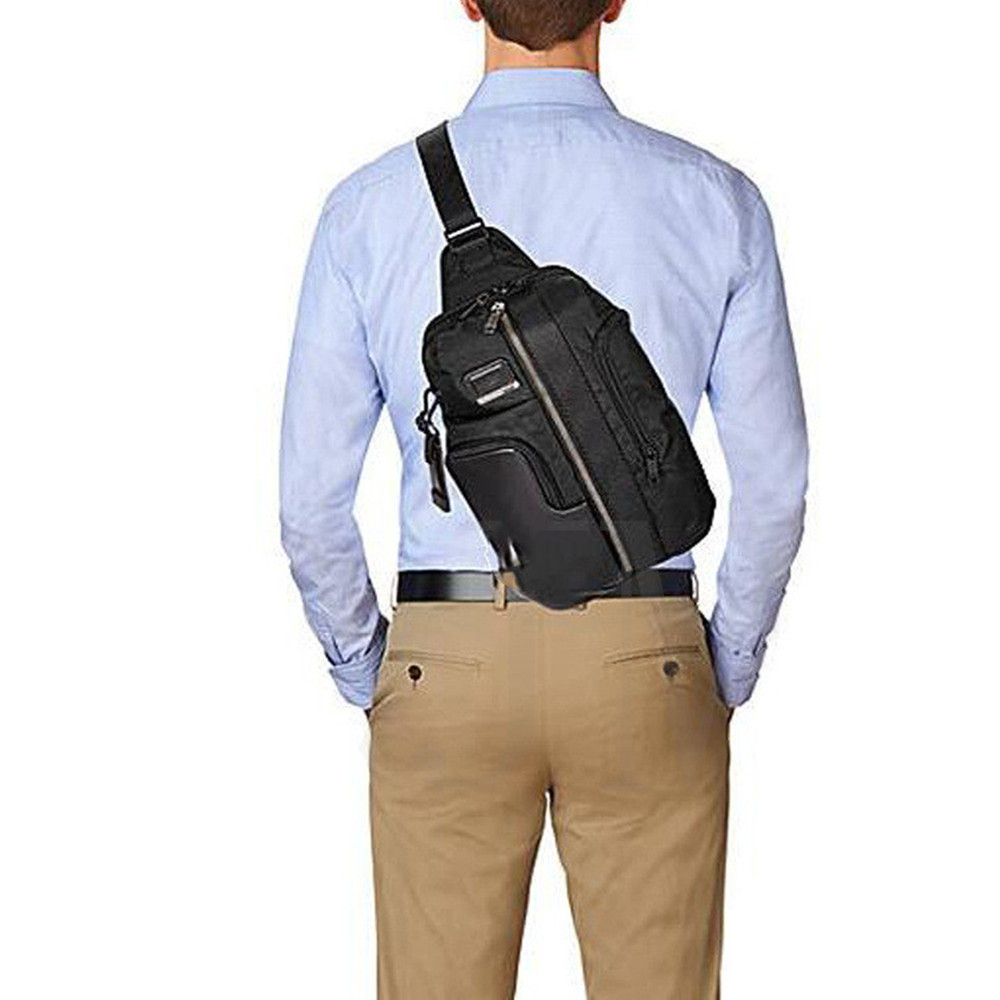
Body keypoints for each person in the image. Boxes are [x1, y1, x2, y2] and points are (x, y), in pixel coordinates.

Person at [280, 1, 808, 996]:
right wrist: (726, 662)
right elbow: (773, 485)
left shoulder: (367, 206)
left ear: (469, 2)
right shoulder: (716, 198)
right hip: (646, 655)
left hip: (446, 662)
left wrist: (370, 667)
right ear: (614, 3)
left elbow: (309, 500)